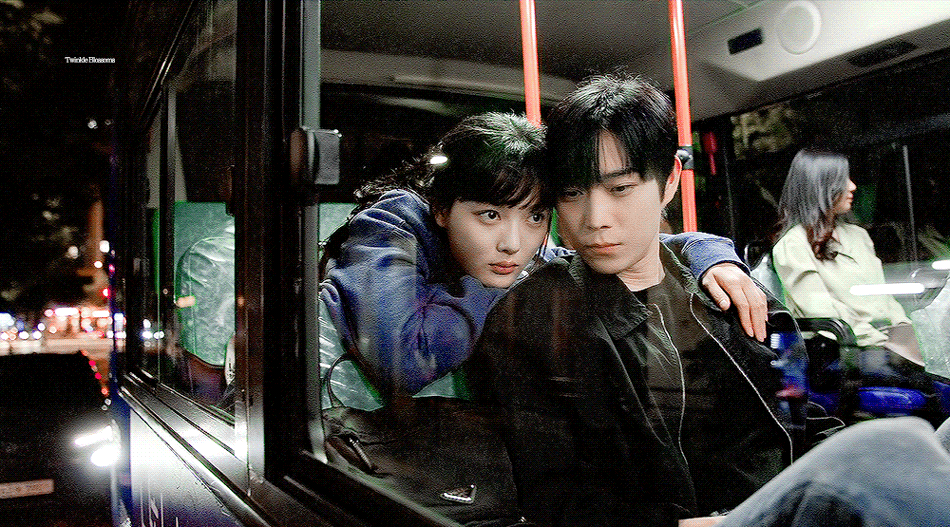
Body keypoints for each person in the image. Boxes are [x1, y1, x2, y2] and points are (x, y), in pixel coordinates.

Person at [466, 73, 950, 527]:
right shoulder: (537, 316)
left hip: (780, 498)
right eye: (572, 193)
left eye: (620, 189)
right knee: (894, 443)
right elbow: (548, 491)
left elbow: (794, 416)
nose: (595, 219)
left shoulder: (723, 290)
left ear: (670, 183)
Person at [321, 112, 766, 398]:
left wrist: (706, 252)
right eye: (490, 215)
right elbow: (405, 359)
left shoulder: (524, 255)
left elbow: (606, 252)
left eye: (535, 216)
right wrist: (501, 288)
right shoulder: (394, 225)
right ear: (441, 209)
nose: (513, 244)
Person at [772, 149, 920, 361]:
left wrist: (906, 330)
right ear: (822, 186)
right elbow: (822, 312)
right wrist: (882, 343)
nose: (852, 186)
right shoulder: (793, 245)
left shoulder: (858, 236)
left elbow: (884, 297)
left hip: (886, 343)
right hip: (846, 350)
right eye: (843, 180)